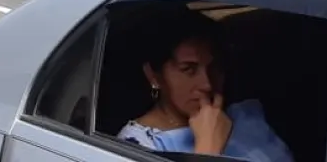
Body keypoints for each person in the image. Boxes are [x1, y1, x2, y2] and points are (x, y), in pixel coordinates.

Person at [118, 9, 294, 161]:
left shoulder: (245, 117)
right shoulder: (136, 145)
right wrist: (208, 147)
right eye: (188, 70)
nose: (207, 84)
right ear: (154, 76)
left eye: (214, 68)